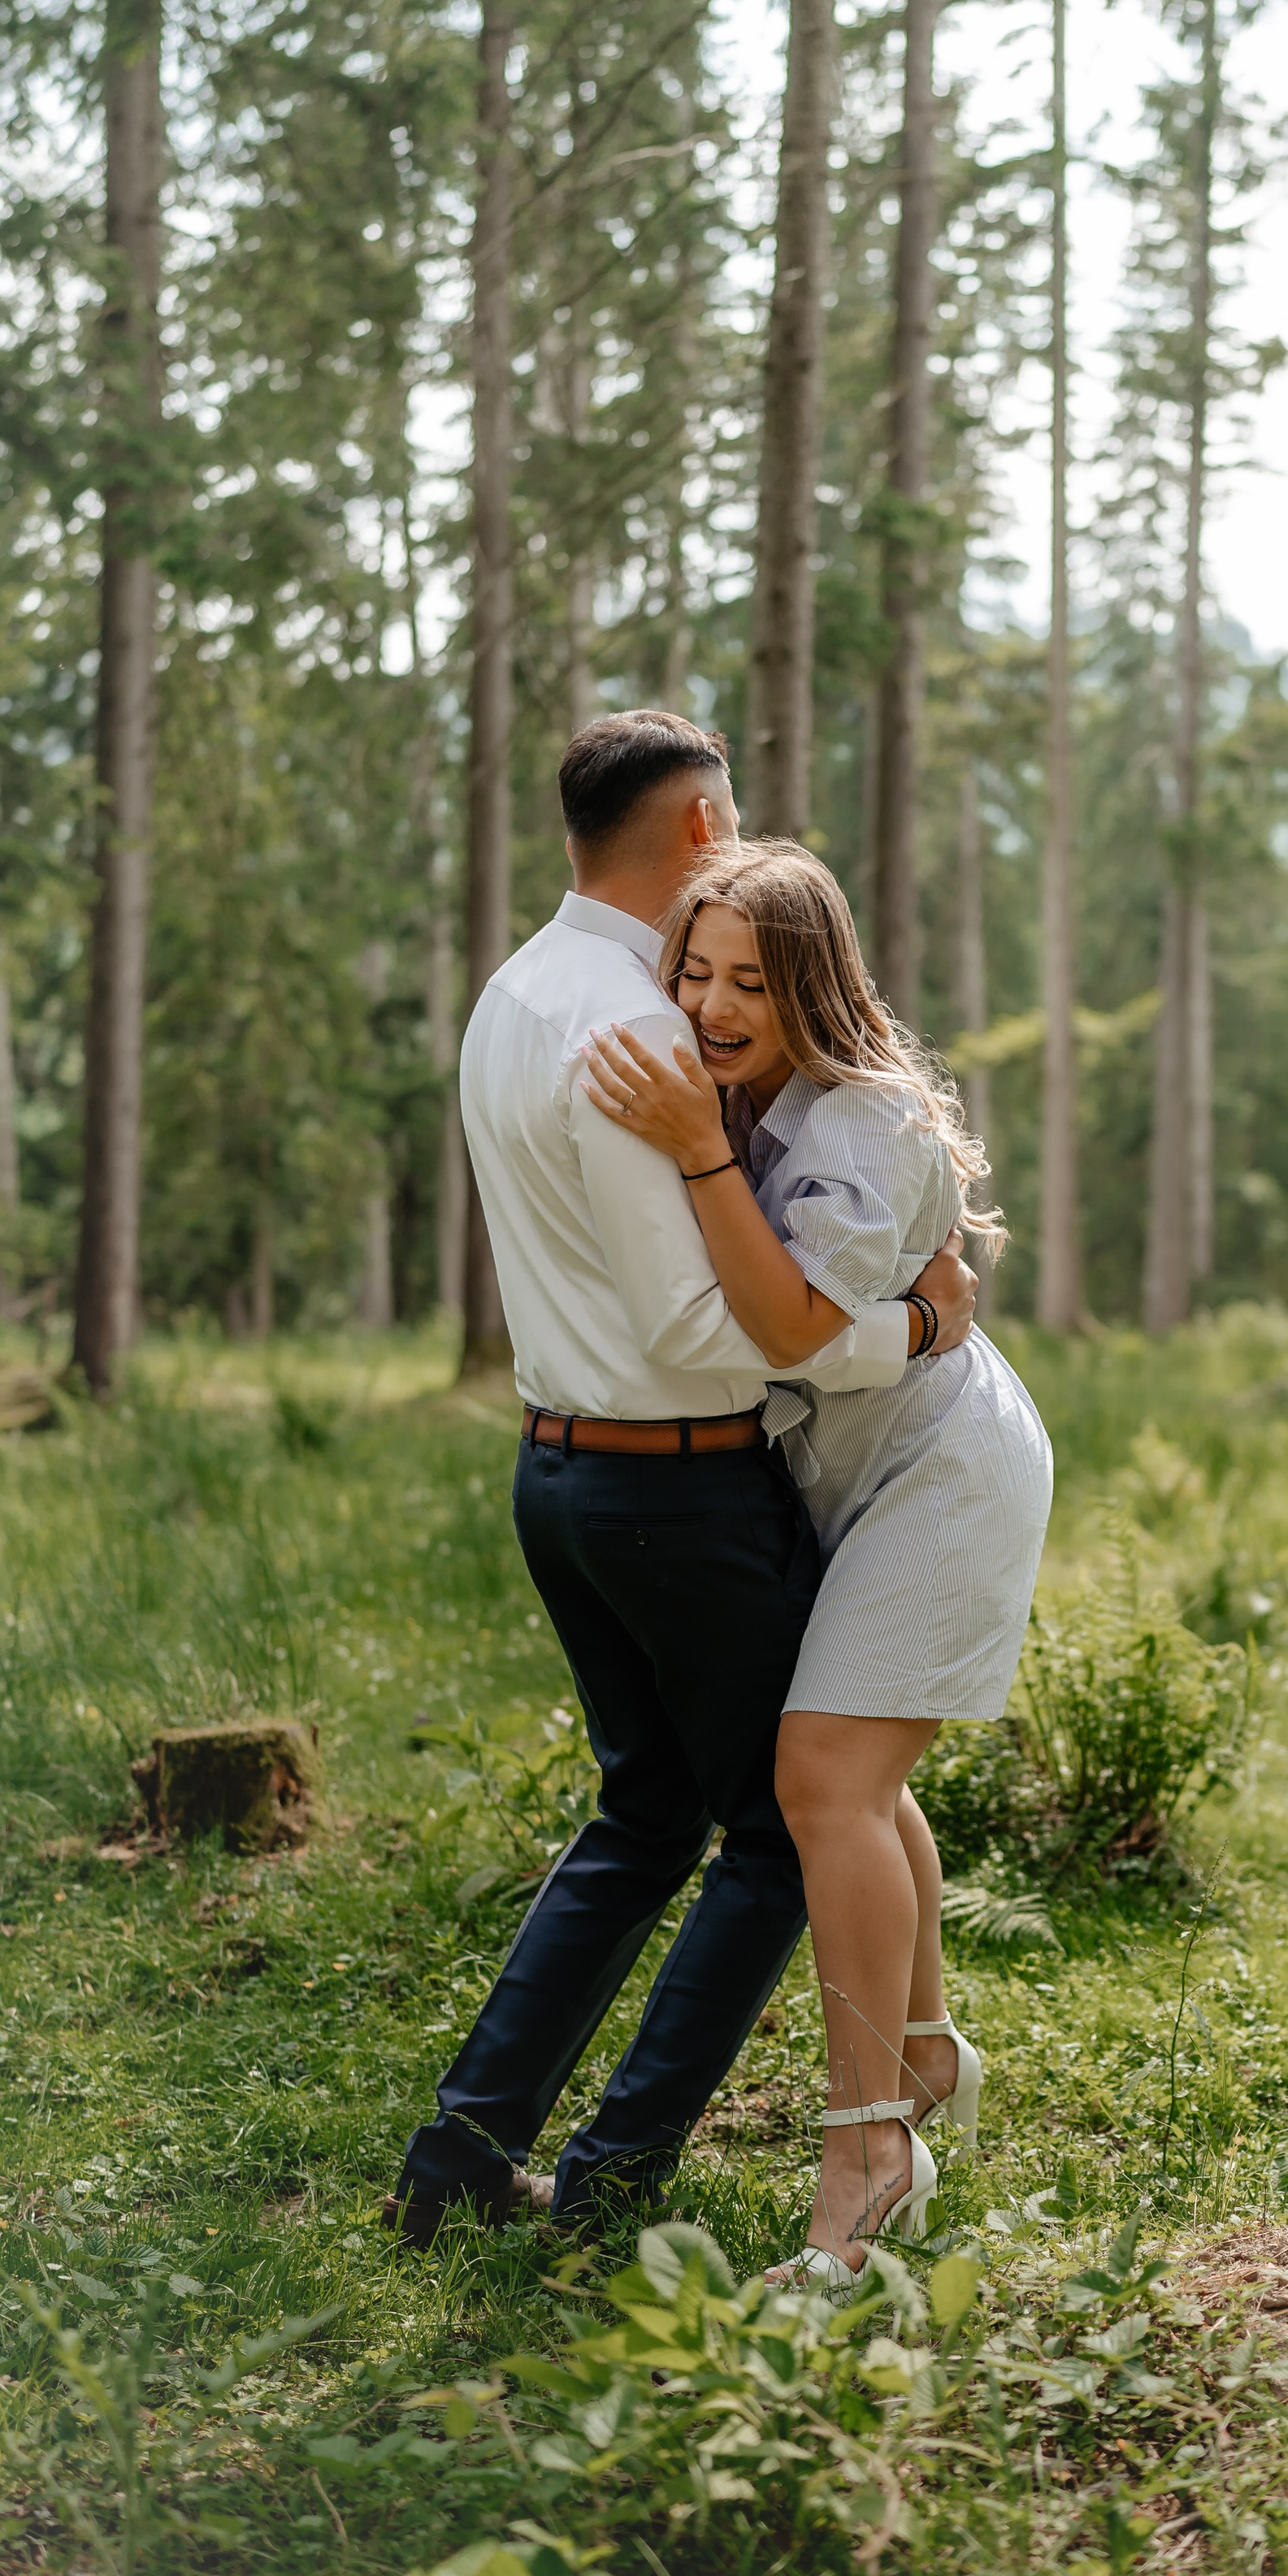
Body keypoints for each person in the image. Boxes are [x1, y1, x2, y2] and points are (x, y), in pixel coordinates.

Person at [387, 712, 978, 2249]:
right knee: (783, 1829)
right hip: (676, 1486)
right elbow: (706, 1327)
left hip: (556, 1473)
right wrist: (903, 1326)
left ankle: (462, 2156)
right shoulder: (642, 1027)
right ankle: (613, 2179)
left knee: (646, 1820)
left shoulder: (514, 996)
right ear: (706, 824)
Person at [579, 839, 1053, 2284]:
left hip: (939, 1473)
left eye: (751, 982)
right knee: (857, 1778)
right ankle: (920, 2059)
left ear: (814, 989)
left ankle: (867, 2150)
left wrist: (704, 1150)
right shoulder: (721, 1083)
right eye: (696, 971)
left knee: (822, 1782)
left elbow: (787, 1326)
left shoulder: (869, 1124)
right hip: (840, 1472)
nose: (715, 1004)